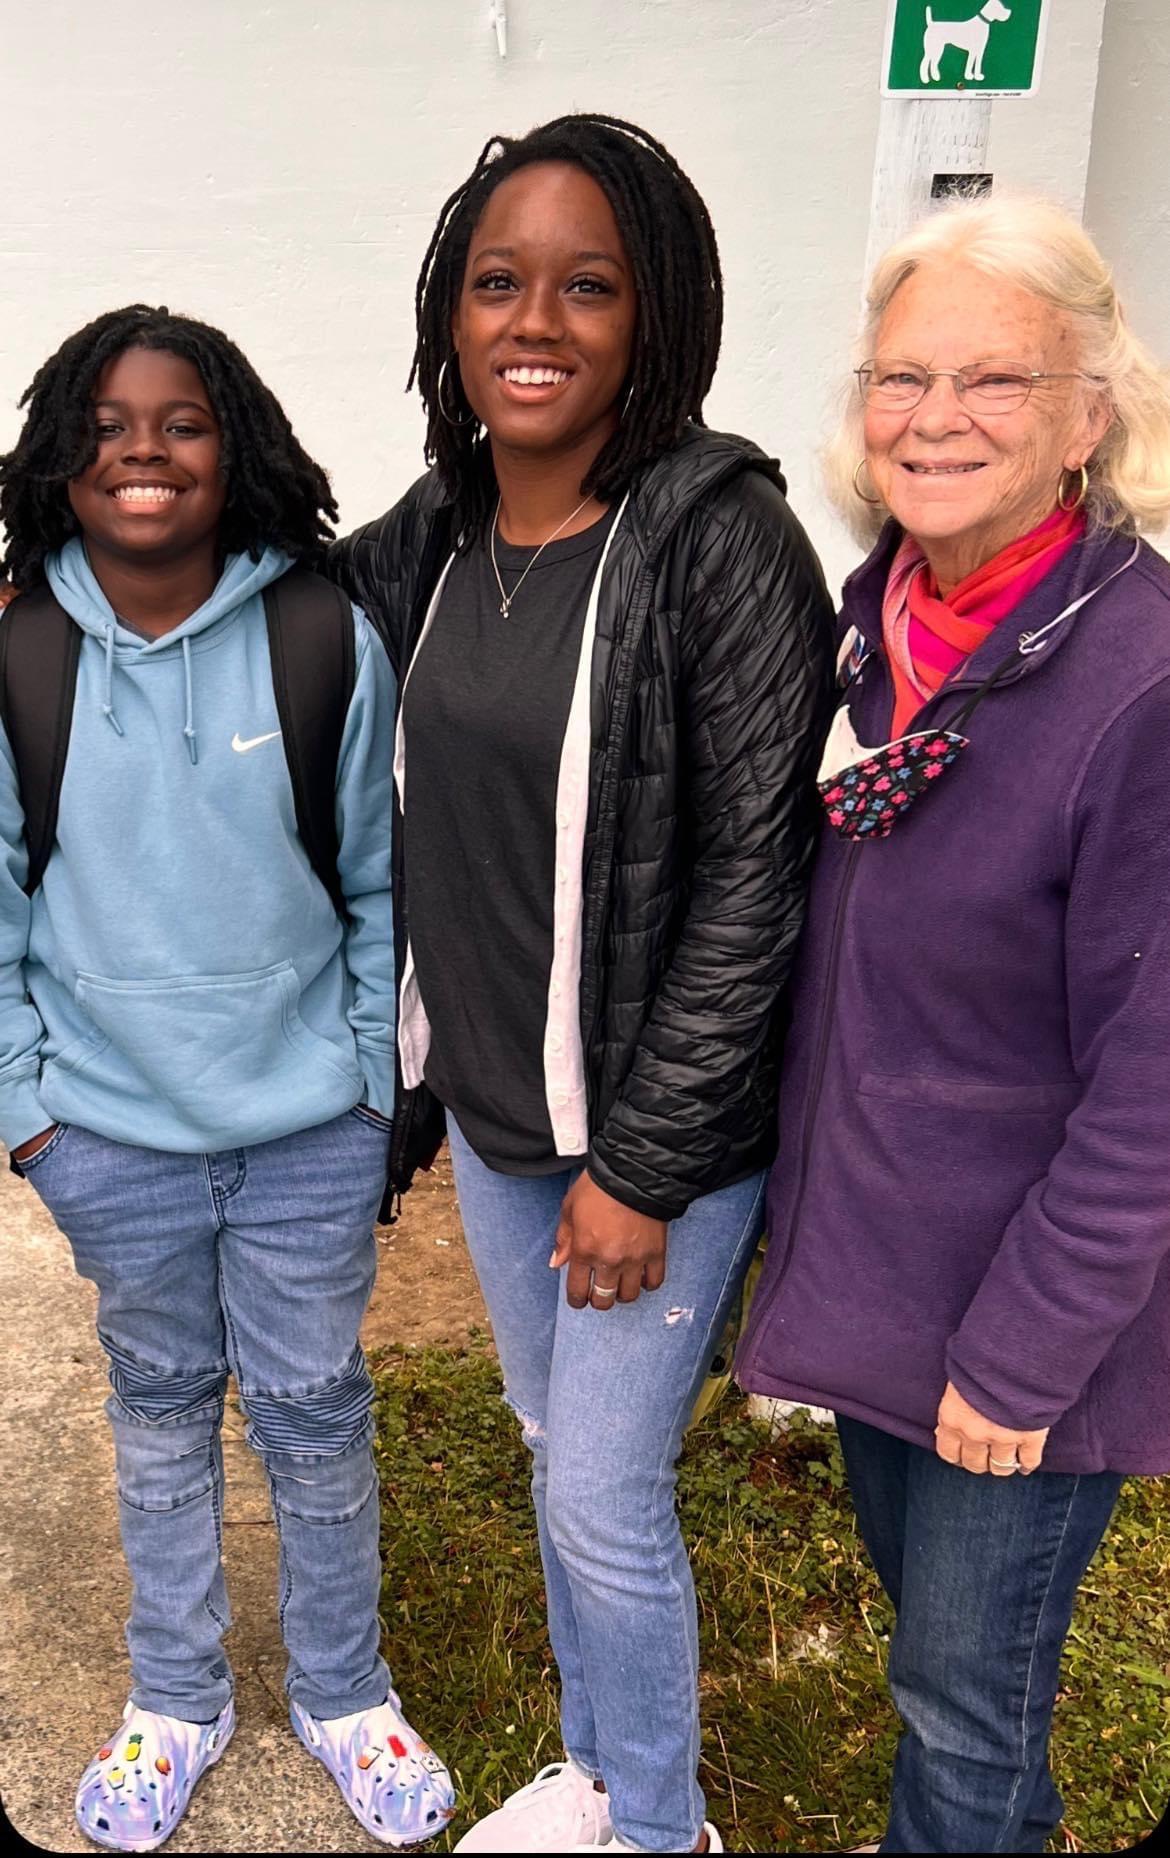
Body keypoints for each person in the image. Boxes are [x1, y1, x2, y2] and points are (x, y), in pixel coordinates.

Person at [327, 114, 834, 1855]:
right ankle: (596, 1768)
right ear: (449, 315)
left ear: (655, 313)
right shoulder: (436, 537)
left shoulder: (720, 540)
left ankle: (661, 1826)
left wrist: (643, 1167)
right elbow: (272, 619)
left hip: (648, 1141)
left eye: (587, 286)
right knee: (555, 1451)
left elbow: (758, 879)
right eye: (497, 282)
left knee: (607, 1495)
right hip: (494, 1113)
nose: (533, 321)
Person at [736, 195, 1170, 1855]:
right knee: (935, 1640)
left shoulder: (1136, 682)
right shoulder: (879, 628)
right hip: (881, 1275)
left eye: (994, 379)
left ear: (1086, 414)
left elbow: (1150, 1089)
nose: (934, 418)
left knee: (960, 1696)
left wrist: (1021, 1353)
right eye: (900, 377)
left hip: (1022, 1314)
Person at [0, 306, 454, 1852]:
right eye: (106, 427)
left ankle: (343, 1688)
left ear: (235, 445)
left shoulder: (318, 636)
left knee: (316, 1412)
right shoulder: (22, 654)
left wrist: (365, 1091)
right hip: (108, 1137)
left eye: (181, 421)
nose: (142, 450)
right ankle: (176, 1697)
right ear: (60, 462)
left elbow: (380, 885)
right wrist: (31, 1120)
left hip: (306, 1131)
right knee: (159, 1410)